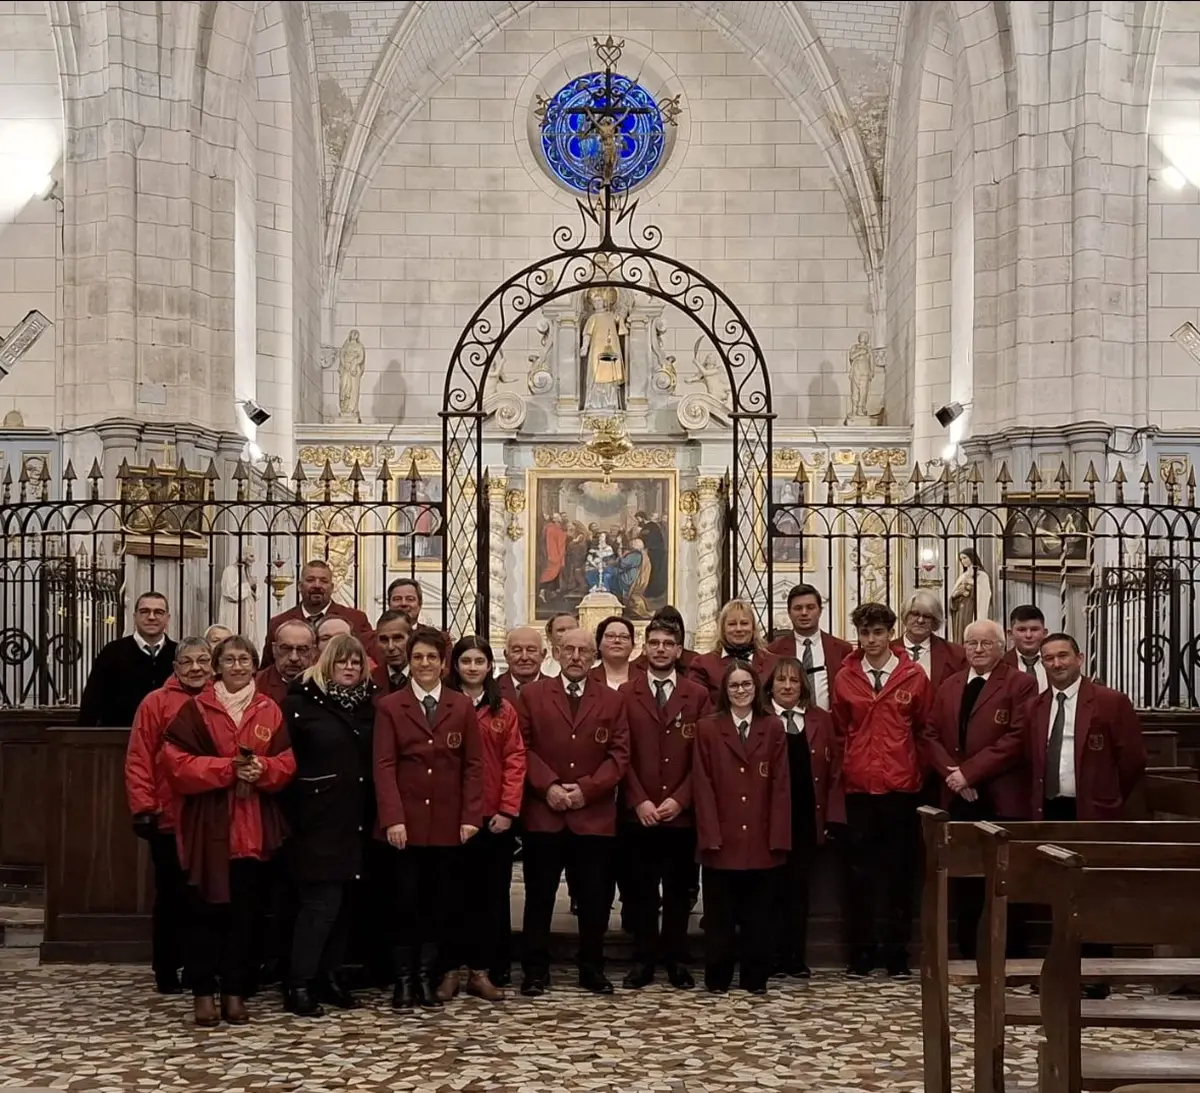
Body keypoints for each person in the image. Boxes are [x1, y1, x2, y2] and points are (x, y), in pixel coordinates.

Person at [162, 635, 295, 1027]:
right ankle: (203, 992)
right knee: (204, 912)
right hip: (208, 828)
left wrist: (265, 772)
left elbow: (287, 761)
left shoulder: (269, 710)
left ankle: (236, 991)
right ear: (217, 666)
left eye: (245, 659)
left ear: (255, 665)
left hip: (252, 830)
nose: (237, 666)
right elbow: (177, 765)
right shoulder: (196, 709)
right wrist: (227, 770)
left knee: (246, 914)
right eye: (230, 659)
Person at [372, 626, 483, 1011]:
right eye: (417, 657)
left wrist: (470, 816)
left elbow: (472, 765)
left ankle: (425, 977)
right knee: (405, 903)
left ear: (443, 663)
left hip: (448, 823)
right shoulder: (391, 706)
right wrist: (393, 819)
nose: (423, 664)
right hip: (407, 823)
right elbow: (384, 765)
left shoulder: (461, 705)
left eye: (431, 658)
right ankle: (403, 981)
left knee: (438, 904)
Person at [516, 628, 630, 996]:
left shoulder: (612, 700)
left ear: (594, 656)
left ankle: (592, 967)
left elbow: (619, 755)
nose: (576, 656)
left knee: (596, 898)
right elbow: (522, 748)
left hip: (592, 816)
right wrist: (547, 785)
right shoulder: (532, 695)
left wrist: (587, 789)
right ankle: (535, 970)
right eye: (569, 650)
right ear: (556, 653)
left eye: (584, 650)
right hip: (544, 813)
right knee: (540, 897)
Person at [919, 619, 1036, 958]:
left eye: (986, 643)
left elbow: (1017, 738)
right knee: (965, 882)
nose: (979, 650)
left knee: (1004, 883)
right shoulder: (950, 685)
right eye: (972, 643)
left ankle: (1011, 957)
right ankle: (969, 955)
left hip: (1000, 798)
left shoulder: (1020, 684)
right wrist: (953, 775)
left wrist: (969, 774)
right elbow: (930, 735)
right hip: (958, 798)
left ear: (1002, 647)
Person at [832, 602, 932, 979]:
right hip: (858, 788)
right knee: (858, 876)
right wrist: (848, 766)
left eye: (877, 632)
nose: (871, 640)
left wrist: (912, 769)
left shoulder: (913, 676)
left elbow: (923, 729)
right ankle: (861, 953)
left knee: (899, 875)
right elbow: (841, 728)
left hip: (900, 789)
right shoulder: (846, 676)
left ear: (890, 633)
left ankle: (896, 953)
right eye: (864, 633)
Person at [279, 633, 377, 1018]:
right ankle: (298, 981)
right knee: (319, 905)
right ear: (325, 664)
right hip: (316, 820)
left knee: (346, 905)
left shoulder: (370, 707)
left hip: (357, 818)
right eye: (342, 662)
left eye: (356, 662)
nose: (350, 668)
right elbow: (285, 762)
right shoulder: (300, 705)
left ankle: (328, 976)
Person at [619, 617, 711, 990]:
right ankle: (642, 959)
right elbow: (619, 753)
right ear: (645, 646)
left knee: (679, 892)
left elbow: (705, 756)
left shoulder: (697, 695)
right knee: (640, 891)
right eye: (653, 642)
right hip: (637, 813)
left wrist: (681, 798)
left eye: (667, 643)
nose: (660, 649)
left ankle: (675, 958)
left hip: (680, 813)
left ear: (678, 649)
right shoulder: (627, 693)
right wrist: (638, 800)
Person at [691, 661, 790, 995]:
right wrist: (709, 835)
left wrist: (778, 836)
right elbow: (701, 784)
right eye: (733, 686)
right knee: (719, 917)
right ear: (724, 691)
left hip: (761, 838)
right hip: (722, 836)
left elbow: (781, 785)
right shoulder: (708, 728)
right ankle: (717, 978)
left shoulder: (773, 726)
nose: (741, 691)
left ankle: (754, 977)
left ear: (756, 687)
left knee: (758, 917)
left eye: (746, 684)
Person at [124, 636, 213, 994]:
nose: (196, 668)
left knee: (205, 896)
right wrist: (144, 806)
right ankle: (165, 967)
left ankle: (199, 967)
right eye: (188, 662)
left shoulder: (219, 699)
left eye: (203, 661)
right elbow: (139, 756)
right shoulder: (156, 702)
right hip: (167, 815)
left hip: (208, 816)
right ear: (175, 668)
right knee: (171, 895)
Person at [444, 636, 526, 998]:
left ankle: (482, 969)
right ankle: (448, 969)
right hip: (452, 816)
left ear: (490, 666)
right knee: (451, 895)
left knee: (489, 897)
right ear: (456, 666)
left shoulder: (503, 710)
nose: (473, 668)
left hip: (494, 816)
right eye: (466, 662)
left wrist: (508, 809)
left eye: (480, 661)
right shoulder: (444, 704)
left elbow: (515, 760)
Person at [765, 656, 842, 979]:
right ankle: (767, 956)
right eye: (781, 680)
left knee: (798, 890)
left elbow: (835, 770)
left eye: (794, 681)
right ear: (770, 685)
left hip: (806, 817)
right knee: (769, 891)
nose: (787, 686)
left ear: (803, 687)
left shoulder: (819, 719)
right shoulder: (760, 717)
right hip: (766, 820)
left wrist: (832, 818)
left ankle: (794, 957)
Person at [1029, 632, 1147, 821]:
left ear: (1080, 658)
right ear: (1042, 664)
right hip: (1046, 809)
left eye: (1063, 655)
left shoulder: (1111, 702)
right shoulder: (1034, 707)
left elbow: (1133, 760)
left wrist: (1110, 795)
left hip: (1095, 809)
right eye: (1049, 659)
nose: (1057, 664)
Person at [79, 592, 177, 727]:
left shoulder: (178, 653)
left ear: (168, 618)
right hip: (119, 739)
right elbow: (92, 700)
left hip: (169, 740)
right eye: (144, 611)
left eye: (159, 612)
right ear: (135, 616)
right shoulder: (112, 652)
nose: (151, 617)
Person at [261, 560, 375, 669]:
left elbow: (368, 660)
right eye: (310, 580)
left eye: (324, 581)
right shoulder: (279, 622)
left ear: (332, 587)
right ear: (299, 586)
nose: (317, 585)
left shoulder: (356, 619)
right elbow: (268, 666)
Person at [766, 584, 853, 711]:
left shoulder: (842, 649)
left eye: (810, 607)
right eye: (798, 608)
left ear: (820, 611)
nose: (804, 613)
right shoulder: (774, 651)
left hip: (832, 724)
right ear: (789, 612)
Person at [688, 599, 779, 701]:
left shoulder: (773, 663)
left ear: (753, 628)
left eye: (744, 623)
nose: (739, 629)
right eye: (732, 624)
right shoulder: (702, 665)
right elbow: (698, 705)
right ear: (723, 629)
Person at [894, 589, 966, 690]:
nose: (920, 620)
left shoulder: (956, 654)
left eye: (927, 616)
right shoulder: (888, 651)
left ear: (935, 620)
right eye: (915, 614)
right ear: (905, 616)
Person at [255, 619, 317, 707]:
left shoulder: (324, 686)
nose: (293, 658)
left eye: (302, 649)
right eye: (286, 649)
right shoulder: (256, 685)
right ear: (274, 649)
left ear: (313, 652)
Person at [632, 606, 699, 675]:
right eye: (654, 643)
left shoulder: (694, 661)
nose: (661, 649)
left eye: (669, 643)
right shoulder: (636, 666)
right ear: (645, 648)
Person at [948, 549, 992, 645]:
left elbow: (984, 594)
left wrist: (971, 584)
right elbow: (953, 594)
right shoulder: (963, 576)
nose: (963, 561)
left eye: (965, 558)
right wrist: (957, 594)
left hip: (971, 609)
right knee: (959, 634)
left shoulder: (982, 575)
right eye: (961, 559)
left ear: (972, 558)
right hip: (960, 610)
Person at [1003, 604, 1050, 693]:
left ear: (1044, 633)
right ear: (1010, 634)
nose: (1028, 635)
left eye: (1034, 629)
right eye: (1022, 630)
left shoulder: (1056, 663)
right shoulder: (1000, 664)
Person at [497, 625, 545, 703]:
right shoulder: (492, 689)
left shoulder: (558, 689)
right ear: (506, 655)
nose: (524, 658)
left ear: (543, 655)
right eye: (517, 651)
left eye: (531, 650)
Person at [592, 615, 639, 689]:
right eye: (610, 636)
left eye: (624, 637)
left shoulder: (645, 678)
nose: (617, 641)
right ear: (599, 644)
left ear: (633, 645)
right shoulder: (588, 678)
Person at [375, 610, 412, 691]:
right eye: (384, 640)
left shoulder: (429, 677)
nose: (390, 647)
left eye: (397, 638)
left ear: (411, 639)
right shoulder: (369, 681)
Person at [541, 612, 578, 678]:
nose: (567, 634)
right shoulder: (541, 663)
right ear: (549, 635)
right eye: (561, 630)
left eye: (572, 630)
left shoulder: (591, 664)